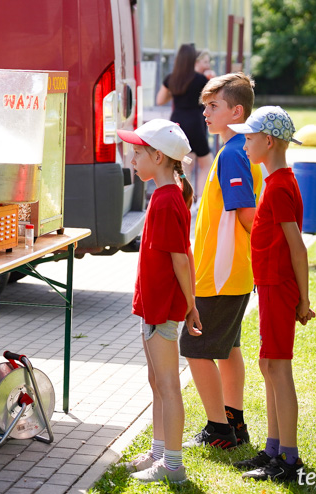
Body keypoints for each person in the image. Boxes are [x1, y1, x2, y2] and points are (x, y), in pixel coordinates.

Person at [228, 106, 315, 481]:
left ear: (268, 141)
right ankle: (274, 448)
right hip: (270, 286)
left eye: (248, 138)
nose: (244, 144)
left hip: (279, 287)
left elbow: (298, 247)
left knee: (279, 368)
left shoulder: (279, 186)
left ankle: (289, 459)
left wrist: (303, 299)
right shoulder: (274, 181)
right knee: (268, 365)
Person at [117, 119, 202, 485]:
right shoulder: (169, 192)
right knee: (157, 381)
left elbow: (181, 258)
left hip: (162, 309)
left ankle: (173, 465)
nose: (132, 159)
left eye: (138, 153)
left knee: (168, 384)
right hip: (154, 306)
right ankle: (157, 451)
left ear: (158, 156)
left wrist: (191, 303)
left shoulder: (168, 200)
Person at [181, 72, 262, 450]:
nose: (205, 113)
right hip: (229, 274)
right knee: (229, 350)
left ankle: (219, 428)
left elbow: (248, 215)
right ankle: (235, 425)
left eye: (213, 106)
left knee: (195, 349)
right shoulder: (235, 149)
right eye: (204, 106)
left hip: (220, 276)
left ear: (237, 111)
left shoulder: (233, 154)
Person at [156, 44, 213, 195]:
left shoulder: (171, 79)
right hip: (195, 123)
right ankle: (199, 199)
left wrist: (174, 93)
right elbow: (210, 98)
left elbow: (160, 100)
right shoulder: (200, 79)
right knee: (206, 163)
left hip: (177, 123)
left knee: (184, 164)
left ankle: (183, 198)